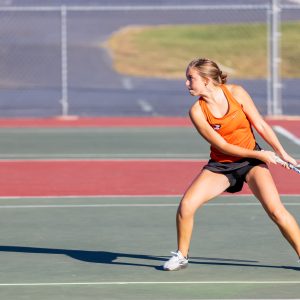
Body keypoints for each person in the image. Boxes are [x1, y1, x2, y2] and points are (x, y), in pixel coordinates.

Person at [163, 58, 300, 271]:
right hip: (222, 166)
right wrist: (263, 154)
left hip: (251, 163)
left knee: (276, 211)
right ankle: (182, 256)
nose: (187, 83)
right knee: (187, 205)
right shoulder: (197, 112)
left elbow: (260, 124)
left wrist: (283, 153)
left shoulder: (236, 93)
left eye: (191, 78)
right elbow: (223, 146)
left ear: (207, 80)